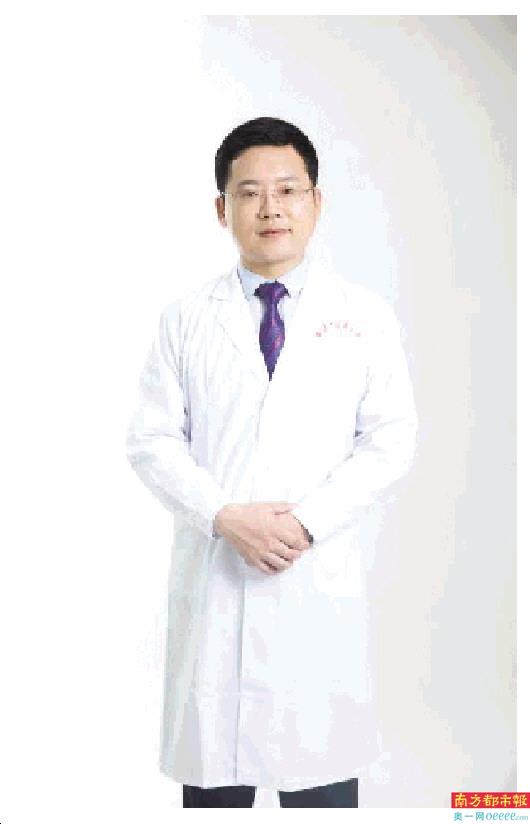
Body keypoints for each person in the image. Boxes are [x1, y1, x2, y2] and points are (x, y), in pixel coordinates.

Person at [125, 116, 418, 808]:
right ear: (221, 208)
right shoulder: (184, 319)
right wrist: (223, 516)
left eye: (288, 190)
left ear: (317, 202)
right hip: (217, 585)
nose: (271, 208)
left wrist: (304, 524)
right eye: (250, 193)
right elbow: (152, 440)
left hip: (313, 588)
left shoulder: (365, 317)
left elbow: (390, 440)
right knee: (216, 793)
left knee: (321, 784)